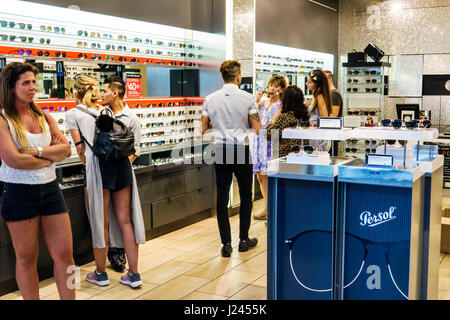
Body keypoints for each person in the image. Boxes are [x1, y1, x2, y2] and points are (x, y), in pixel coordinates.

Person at [0, 62, 74, 300]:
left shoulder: (44, 115)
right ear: (11, 87)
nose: (33, 87)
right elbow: (13, 160)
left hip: (51, 190)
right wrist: (47, 159)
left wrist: (36, 151)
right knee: (27, 257)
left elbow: (65, 151)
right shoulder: (3, 119)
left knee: (65, 254)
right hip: (19, 193)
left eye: (34, 82)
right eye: (26, 83)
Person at [65, 74, 145, 288]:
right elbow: (130, 147)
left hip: (100, 170)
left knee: (101, 222)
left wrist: (87, 166)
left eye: (105, 91)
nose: (102, 94)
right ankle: (134, 274)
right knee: (126, 220)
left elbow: (82, 150)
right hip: (122, 168)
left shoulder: (83, 114)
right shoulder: (115, 114)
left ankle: (100, 274)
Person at [201, 60, 262, 258]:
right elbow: (257, 128)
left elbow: (203, 130)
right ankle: (244, 240)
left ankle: (226, 244)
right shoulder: (248, 98)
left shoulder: (210, 99)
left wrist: (216, 125)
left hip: (220, 149)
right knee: (246, 195)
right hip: (241, 149)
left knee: (221, 196)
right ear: (239, 77)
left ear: (222, 77)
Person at [101, 76, 142, 273]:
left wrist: (119, 161)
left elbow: (135, 151)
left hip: (120, 170)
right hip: (104, 171)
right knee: (105, 217)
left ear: (115, 93)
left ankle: (121, 255)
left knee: (124, 217)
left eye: (104, 91)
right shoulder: (101, 114)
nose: (101, 94)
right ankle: (112, 252)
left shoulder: (132, 119)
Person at [252, 75, 288, 220]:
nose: (272, 89)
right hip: (258, 140)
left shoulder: (282, 105)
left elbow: (273, 123)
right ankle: (267, 207)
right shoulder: (262, 102)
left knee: (270, 176)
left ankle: (272, 209)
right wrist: (255, 101)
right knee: (260, 176)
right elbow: (252, 118)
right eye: (271, 85)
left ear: (282, 89)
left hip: (271, 142)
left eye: (276, 86)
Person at [266, 85, 309, 158]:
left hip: (284, 158)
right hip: (301, 158)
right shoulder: (304, 117)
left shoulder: (284, 118)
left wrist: (274, 119)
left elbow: (268, 135)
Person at [305, 69, 332, 151]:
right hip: (314, 134)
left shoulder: (319, 97)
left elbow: (324, 120)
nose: (306, 84)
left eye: (309, 82)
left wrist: (309, 124)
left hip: (319, 136)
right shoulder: (315, 96)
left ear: (317, 84)